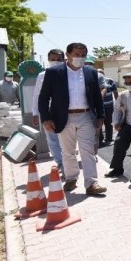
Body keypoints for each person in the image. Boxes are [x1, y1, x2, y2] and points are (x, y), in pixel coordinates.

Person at [38, 42, 107, 196]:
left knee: (88, 150)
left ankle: (91, 183)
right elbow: (43, 98)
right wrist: (46, 119)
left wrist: (101, 116)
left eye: (83, 55)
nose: (80, 58)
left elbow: (97, 96)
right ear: (68, 55)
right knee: (67, 151)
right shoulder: (54, 72)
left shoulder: (90, 72)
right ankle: (71, 178)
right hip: (63, 117)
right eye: (76, 55)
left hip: (86, 116)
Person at [32, 49, 65, 173]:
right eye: (53, 59)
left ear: (64, 59)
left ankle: (68, 162)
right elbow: (37, 96)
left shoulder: (68, 73)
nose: (56, 62)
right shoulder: (42, 75)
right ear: (48, 60)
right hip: (47, 112)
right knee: (52, 139)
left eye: (59, 59)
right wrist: (35, 112)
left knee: (66, 139)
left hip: (65, 112)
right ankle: (60, 163)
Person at [98, 69, 118, 145]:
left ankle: (109, 138)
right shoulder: (94, 80)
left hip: (109, 106)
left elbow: (115, 92)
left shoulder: (110, 80)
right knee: (99, 123)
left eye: (101, 73)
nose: (100, 74)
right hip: (99, 107)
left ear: (104, 73)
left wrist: (117, 103)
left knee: (109, 123)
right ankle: (100, 139)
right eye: (98, 73)